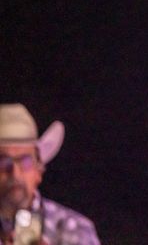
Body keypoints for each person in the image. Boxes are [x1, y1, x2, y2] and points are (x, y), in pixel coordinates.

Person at [0, 104, 100, 245]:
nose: (15, 173)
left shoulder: (74, 228)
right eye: (3, 162)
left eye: (25, 161)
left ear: (39, 171)